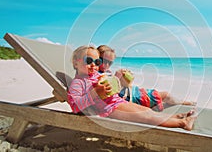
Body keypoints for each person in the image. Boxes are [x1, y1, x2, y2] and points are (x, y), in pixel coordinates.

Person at [67, 45, 196, 131]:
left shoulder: (95, 75)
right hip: (111, 109)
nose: (93, 65)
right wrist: (95, 93)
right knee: (147, 118)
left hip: (118, 103)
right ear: (75, 62)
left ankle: (178, 117)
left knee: (148, 112)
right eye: (88, 61)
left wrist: (119, 81)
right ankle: (183, 123)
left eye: (97, 62)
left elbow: (112, 87)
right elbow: (74, 106)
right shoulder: (78, 83)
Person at [97, 45, 196, 111]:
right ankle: (187, 103)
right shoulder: (97, 76)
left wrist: (126, 79)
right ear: (97, 58)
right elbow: (109, 94)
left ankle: (181, 103)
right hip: (134, 98)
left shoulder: (106, 72)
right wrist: (117, 78)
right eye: (103, 60)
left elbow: (126, 87)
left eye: (110, 63)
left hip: (134, 93)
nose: (106, 65)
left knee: (163, 97)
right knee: (165, 95)